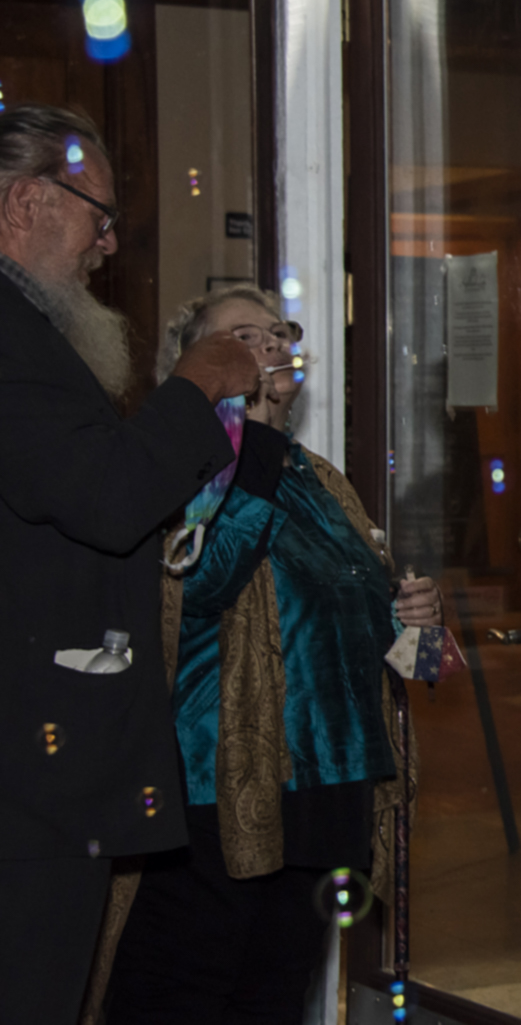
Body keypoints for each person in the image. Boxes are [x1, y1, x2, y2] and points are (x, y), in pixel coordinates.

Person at [98, 285, 438, 1021]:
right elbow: (199, 581)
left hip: (327, 788)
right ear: (193, 362)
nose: (270, 347)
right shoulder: (177, 465)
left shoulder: (320, 478)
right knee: (180, 993)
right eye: (241, 336)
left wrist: (416, 621)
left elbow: (364, 627)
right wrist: (240, 439)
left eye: (277, 333)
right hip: (217, 790)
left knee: (274, 998)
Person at [0, 104, 258, 1025]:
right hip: (26, 784)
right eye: (96, 212)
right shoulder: (10, 337)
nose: (108, 243)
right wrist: (195, 383)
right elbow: (106, 498)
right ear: (26, 201)